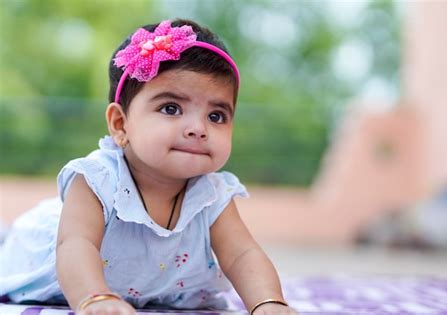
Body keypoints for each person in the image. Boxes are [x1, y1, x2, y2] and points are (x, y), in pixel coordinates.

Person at [0, 19, 296, 315]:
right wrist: (96, 298)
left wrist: (268, 303)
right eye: (171, 109)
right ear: (120, 124)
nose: (198, 128)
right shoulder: (97, 179)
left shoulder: (212, 193)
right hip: (49, 260)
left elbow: (242, 255)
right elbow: (75, 244)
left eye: (216, 116)